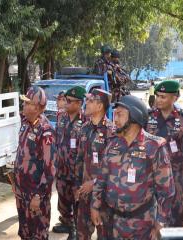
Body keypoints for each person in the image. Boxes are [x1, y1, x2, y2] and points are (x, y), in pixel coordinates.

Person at [92, 95, 175, 239]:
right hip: (111, 221)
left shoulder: (154, 147)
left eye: (119, 114)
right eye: (114, 114)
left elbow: (166, 190)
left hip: (141, 225)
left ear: (135, 116)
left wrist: (160, 222)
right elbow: (101, 179)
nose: (115, 120)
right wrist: (94, 206)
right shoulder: (112, 144)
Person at [145, 80, 183, 227]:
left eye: (163, 97)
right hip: (151, 175)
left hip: (176, 176)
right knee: (152, 214)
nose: (159, 100)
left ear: (175, 98)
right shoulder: (148, 117)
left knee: (175, 215)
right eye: (158, 96)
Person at [14, 86, 56, 240]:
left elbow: (50, 168)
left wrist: (38, 196)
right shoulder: (25, 123)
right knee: (25, 232)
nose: (23, 105)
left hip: (35, 195)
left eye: (27, 103)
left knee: (38, 234)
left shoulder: (46, 132)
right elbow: (21, 153)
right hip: (22, 191)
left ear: (37, 108)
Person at [75, 88, 113, 240]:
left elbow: (114, 167)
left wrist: (94, 182)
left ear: (100, 106)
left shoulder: (112, 132)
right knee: (82, 234)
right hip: (84, 193)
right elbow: (79, 159)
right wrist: (77, 186)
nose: (86, 103)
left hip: (103, 195)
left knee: (104, 234)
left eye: (90, 101)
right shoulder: (84, 129)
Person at [53, 86, 86, 240]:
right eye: (65, 100)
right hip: (61, 170)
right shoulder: (61, 116)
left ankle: (75, 230)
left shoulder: (86, 121)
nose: (65, 103)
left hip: (76, 172)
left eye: (70, 101)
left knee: (77, 202)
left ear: (79, 103)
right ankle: (67, 223)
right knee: (63, 201)